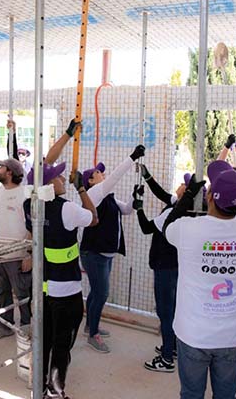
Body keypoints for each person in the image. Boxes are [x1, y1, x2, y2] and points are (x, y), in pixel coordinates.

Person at [163, 160, 236, 398]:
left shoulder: (188, 229)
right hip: (231, 335)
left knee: (192, 394)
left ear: (210, 198)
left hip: (194, 334)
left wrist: (188, 195)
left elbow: (167, 227)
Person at [23, 119, 96, 399]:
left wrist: (67, 135)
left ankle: (38, 387)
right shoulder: (68, 209)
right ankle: (55, 390)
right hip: (67, 291)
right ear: (49, 185)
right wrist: (81, 189)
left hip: (41, 290)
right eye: (59, 177)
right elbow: (94, 219)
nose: (63, 178)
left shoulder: (30, 205)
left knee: (43, 340)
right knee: (62, 344)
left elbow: (43, 166)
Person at [135, 167, 207, 373]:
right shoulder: (181, 207)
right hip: (176, 265)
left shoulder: (171, 212)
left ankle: (166, 358)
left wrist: (138, 207)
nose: (181, 184)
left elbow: (146, 227)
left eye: (185, 183)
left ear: (186, 193)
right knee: (172, 310)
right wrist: (148, 176)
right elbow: (162, 193)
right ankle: (172, 346)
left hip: (165, 267)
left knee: (165, 312)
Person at [79, 145, 144, 353]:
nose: (102, 173)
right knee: (102, 293)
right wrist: (132, 157)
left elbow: (127, 210)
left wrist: (135, 197)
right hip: (94, 254)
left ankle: (91, 325)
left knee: (96, 292)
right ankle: (93, 335)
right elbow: (115, 177)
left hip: (105, 254)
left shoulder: (108, 197)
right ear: (90, 181)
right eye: (97, 172)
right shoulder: (93, 194)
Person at [0, 120, 32, 341]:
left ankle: (27, 327)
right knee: (2, 292)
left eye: (1, 167)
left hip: (17, 256)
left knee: (23, 294)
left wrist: (29, 255)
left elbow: (32, 227)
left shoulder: (24, 194)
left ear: (11, 172)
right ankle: (5, 326)